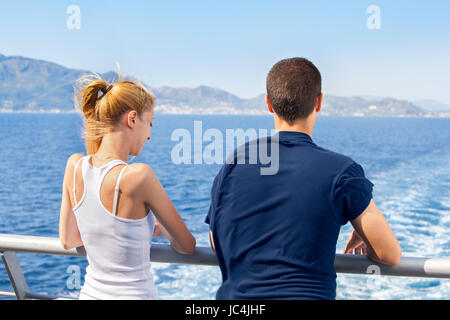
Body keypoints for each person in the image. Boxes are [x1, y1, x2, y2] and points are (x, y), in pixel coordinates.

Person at [205, 57, 401, 300]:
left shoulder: (235, 164)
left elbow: (217, 241)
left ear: (268, 103)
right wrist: (363, 231)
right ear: (319, 102)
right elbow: (389, 254)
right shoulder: (341, 171)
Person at [59, 73, 196, 300]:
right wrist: (163, 231)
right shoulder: (138, 176)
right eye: (149, 123)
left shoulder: (74, 166)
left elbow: (69, 240)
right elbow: (187, 246)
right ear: (132, 119)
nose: (150, 135)